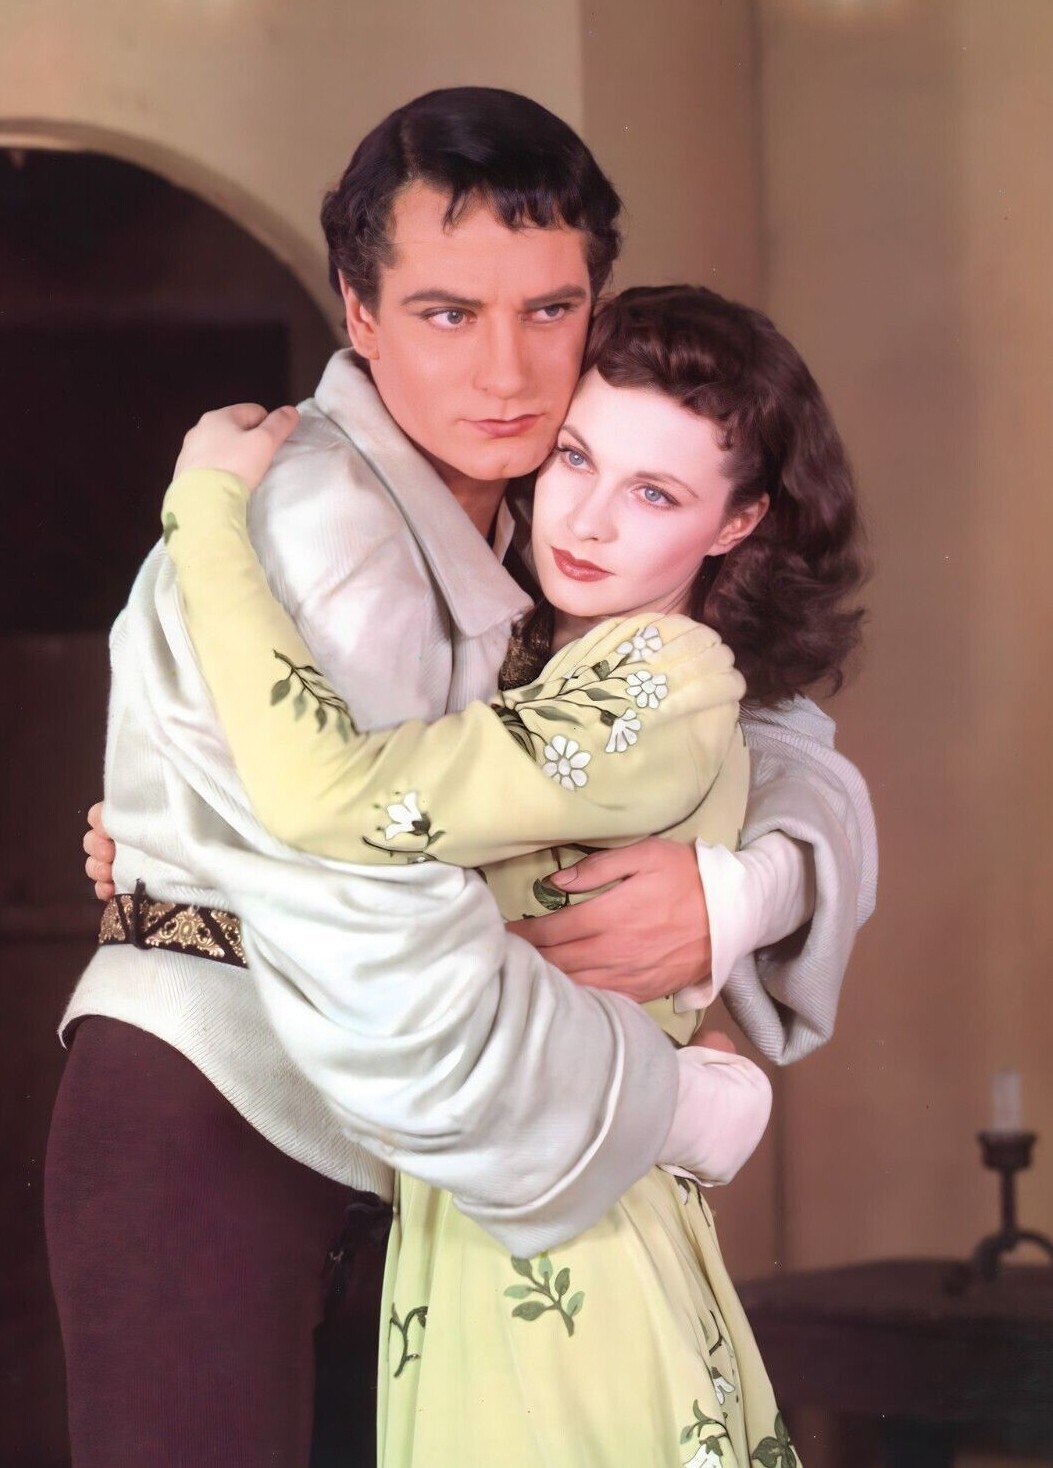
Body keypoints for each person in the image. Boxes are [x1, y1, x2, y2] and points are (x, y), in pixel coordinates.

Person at [53, 88, 876, 1468]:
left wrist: (741, 892)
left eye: (549, 311)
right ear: (360, 313)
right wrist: (663, 1097)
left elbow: (770, 731)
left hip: (411, 1155)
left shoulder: (544, 514)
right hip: (226, 1119)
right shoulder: (322, 525)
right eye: (446, 313)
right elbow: (367, 905)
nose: (507, 373)